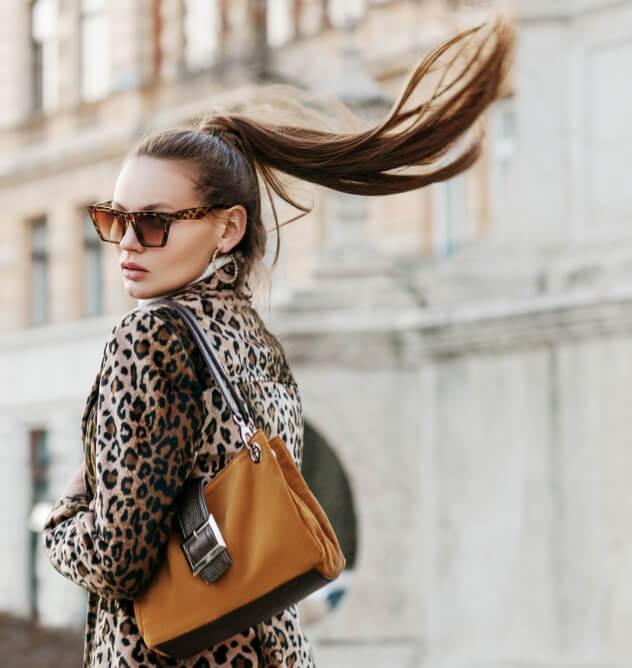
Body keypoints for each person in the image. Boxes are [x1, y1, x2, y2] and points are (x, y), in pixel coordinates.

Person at [43, 15, 515, 667]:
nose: (127, 242)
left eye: (153, 223)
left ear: (228, 228)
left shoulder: (152, 335)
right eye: (115, 219)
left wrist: (63, 517)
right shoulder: (251, 336)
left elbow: (118, 559)